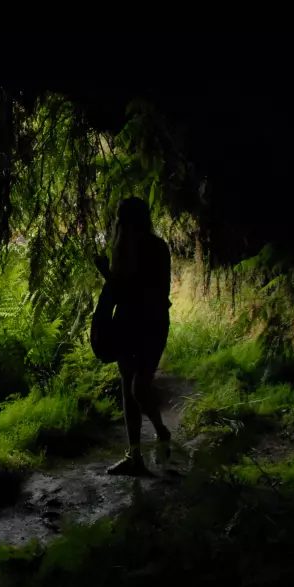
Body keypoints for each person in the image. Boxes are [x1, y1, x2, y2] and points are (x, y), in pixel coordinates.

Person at [94, 197, 171, 477]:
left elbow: (133, 290)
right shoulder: (126, 250)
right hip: (130, 322)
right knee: (128, 386)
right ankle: (135, 455)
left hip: (149, 322)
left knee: (139, 387)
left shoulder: (154, 248)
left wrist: (106, 272)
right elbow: (121, 290)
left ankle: (162, 432)